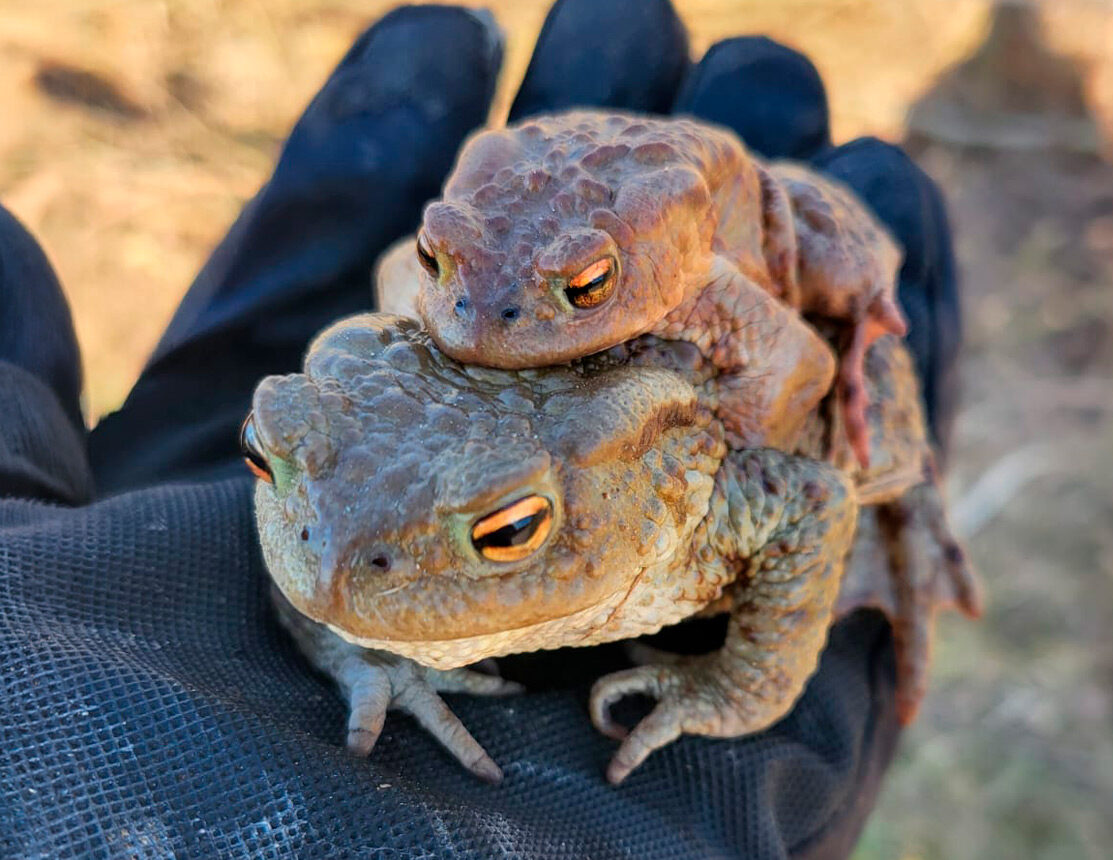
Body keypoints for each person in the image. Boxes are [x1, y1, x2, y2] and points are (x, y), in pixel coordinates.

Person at [0, 1, 961, 856]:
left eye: (506, 531)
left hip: (657, 409)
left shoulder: (685, 488)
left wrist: (742, 683)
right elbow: (329, 523)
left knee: (876, 444)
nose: (328, 559)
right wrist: (352, 642)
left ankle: (913, 512)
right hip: (483, 385)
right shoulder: (348, 477)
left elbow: (809, 494)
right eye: (267, 458)